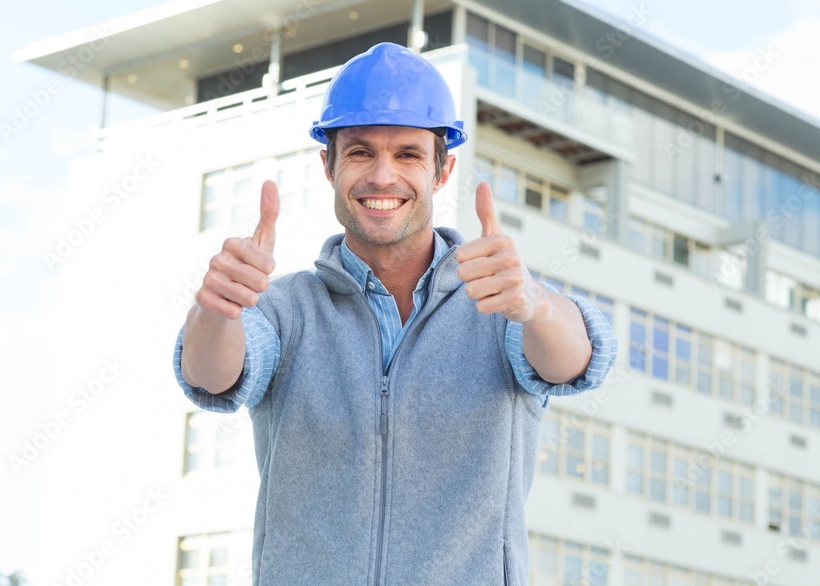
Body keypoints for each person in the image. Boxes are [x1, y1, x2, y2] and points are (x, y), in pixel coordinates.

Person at [174, 42, 617, 585]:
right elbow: (211, 376)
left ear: (442, 170)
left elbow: (576, 363)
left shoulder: (501, 303)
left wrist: (536, 305)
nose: (383, 177)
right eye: (361, 152)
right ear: (328, 166)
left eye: (408, 155)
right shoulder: (284, 309)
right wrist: (216, 310)